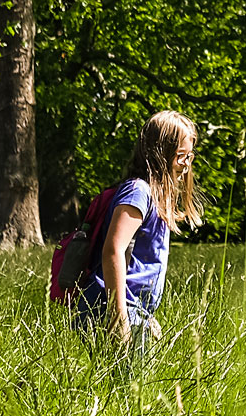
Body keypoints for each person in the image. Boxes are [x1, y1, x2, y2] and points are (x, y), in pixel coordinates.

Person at [75, 110, 203, 346]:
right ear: (160, 153)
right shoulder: (138, 191)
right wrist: (120, 318)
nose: (186, 165)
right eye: (181, 156)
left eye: (190, 156)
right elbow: (113, 250)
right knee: (126, 383)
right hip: (110, 308)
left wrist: (145, 316)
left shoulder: (154, 197)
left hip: (131, 310)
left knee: (129, 382)